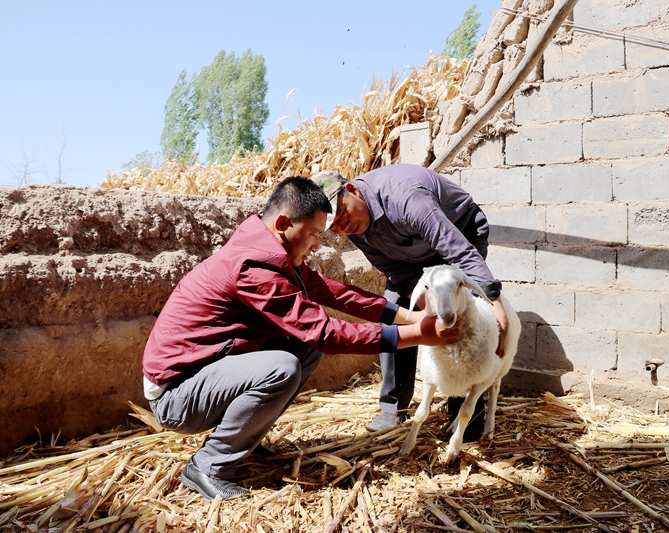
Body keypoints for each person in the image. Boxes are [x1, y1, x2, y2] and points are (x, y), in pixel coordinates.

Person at [141, 177, 463, 500]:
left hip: (207, 371)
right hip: (176, 393)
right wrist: (418, 335)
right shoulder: (254, 266)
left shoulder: (270, 249)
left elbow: (336, 293)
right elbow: (325, 333)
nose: (317, 245)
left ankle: (242, 440)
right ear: (283, 224)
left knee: (303, 350)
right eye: (314, 234)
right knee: (282, 368)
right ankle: (208, 466)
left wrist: (409, 316)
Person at [311, 164, 510, 440]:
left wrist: (494, 301)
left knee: (460, 316)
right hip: (408, 260)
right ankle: (393, 408)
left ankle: (465, 416)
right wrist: (424, 310)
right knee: (395, 313)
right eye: (334, 226)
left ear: (352, 189)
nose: (343, 226)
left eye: (342, 214)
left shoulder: (404, 197)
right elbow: (393, 269)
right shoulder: (355, 226)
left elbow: (457, 249)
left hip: (458, 234)